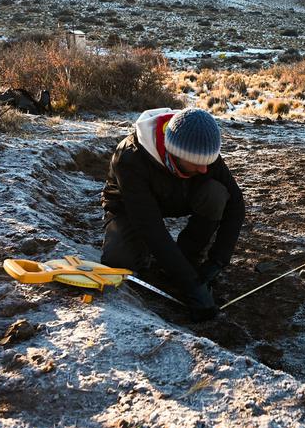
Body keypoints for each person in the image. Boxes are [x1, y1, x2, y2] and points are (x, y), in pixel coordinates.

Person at [101, 108, 244, 321]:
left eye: (208, 162)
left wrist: (217, 261)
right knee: (120, 262)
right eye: (197, 163)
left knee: (216, 194)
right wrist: (190, 284)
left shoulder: (201, 148)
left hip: (177, 195)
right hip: (129, 205)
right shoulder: (129, 158)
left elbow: (236, 204)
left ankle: (188, 255)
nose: (204, 169)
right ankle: (153, 257)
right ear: (175, 153)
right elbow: (151, 228)